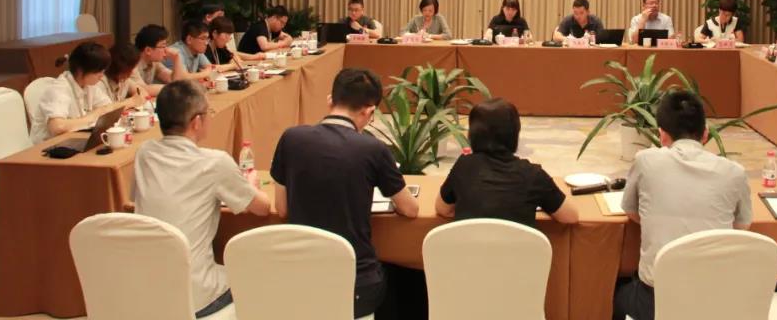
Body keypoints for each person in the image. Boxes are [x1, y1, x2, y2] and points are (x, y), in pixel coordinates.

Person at [271, 68, 418, 318]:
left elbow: (282, 208)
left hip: (301, 278)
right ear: (369, 111)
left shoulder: (291, 138)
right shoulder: (373, 149)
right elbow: (410, 209)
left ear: (330, 100)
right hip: (355, 284)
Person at [133, 80, 270, 318]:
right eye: (209, 112)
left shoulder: (144, 153)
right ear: (197, 122)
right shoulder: (214, 163)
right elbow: (263, 208)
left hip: (146, 291)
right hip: (194, 298)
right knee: (260, 273)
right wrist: (250, 185)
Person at [614, 89, 752, 320]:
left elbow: (631, 211)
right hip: (714, 303)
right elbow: (741, 227)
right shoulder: (735, 172)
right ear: (705, 133)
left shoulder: (646, 160)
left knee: (617, 291)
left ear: (662, 135)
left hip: (655, 300)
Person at [437, 98, 577, 226]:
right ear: (514, 133)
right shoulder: (534, 175)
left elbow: (443, 209)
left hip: (469, 246)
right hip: (519, 247)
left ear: (473, 134)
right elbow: (570, 217)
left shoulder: (463, 167)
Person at [29, 42, 115, 144]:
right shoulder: (58, 89)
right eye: (98, 71)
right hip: (49, 148)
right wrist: (91, 117)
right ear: (80, 70)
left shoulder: (89, 85)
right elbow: (57, 127)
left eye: (103, 71)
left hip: (74, 142)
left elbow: (108, 107)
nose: (101, 76)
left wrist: (98, 113)